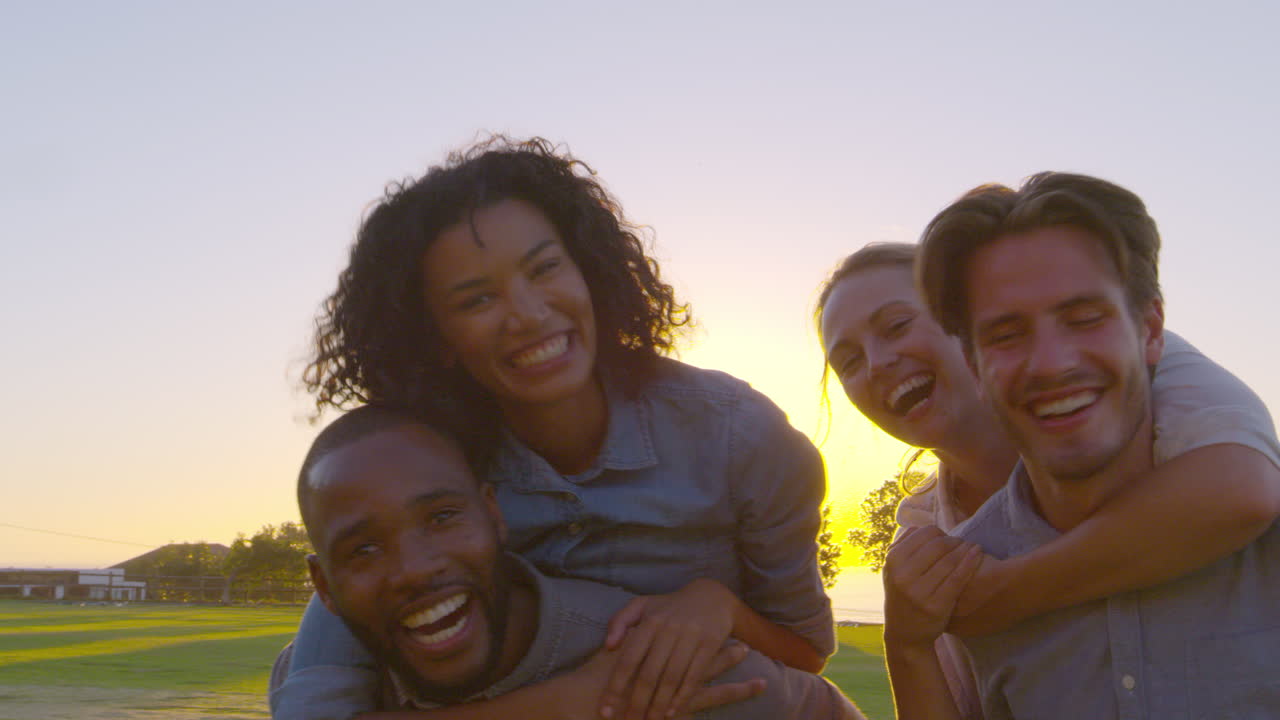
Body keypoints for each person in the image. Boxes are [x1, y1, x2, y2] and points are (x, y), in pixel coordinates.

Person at [275, 137, 833, 720]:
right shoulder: (424, 474)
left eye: (544, 269)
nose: (529, 314)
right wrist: (560, 706)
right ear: (435, 336)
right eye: (475, 300)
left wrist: (717, 607)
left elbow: (805, 653)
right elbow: (313, 705)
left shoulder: (738, 436)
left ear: (588, 269)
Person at [816, 236, 1280, 715]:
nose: (877, 363)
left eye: (897, 325)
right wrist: (906, 645)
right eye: (848, 361)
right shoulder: (926, 542)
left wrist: (1000, 595)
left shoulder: (1124, 362)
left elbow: (1242, 490)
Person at [287, 405, 864, 719]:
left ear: (495, 516)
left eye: (440, 517)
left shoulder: (668, 678)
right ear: (325, 588)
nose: (413, 568)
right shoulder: (330, 682)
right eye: (363, 550)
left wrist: (722, 606)